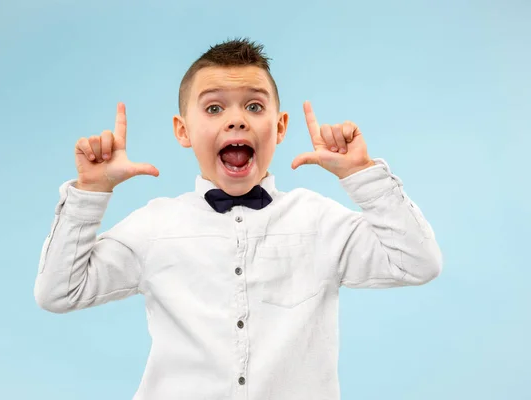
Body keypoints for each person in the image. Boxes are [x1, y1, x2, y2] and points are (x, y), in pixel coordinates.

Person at [34, 38, 442, 400]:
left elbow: (417, 262)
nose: (236, 119)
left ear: (280, 127)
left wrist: (361, 173)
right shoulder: (154, 227)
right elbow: (59, 292)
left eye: (254, 105)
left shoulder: (319, 222)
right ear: (183, 131)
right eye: (213, 107)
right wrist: (91, 191)